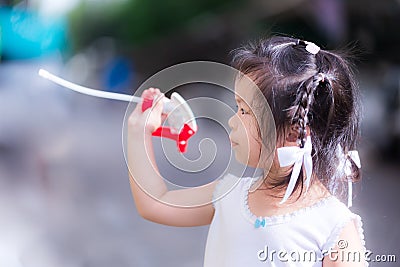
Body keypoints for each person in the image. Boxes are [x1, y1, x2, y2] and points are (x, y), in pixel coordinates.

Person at [127, 36, 367, 266]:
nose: (232, 121)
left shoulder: (334, 229)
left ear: (294, 133)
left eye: (244, 111)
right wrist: (139, 132)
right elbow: (156, 203)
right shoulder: (230, 194)